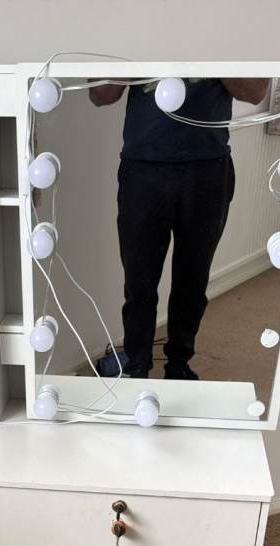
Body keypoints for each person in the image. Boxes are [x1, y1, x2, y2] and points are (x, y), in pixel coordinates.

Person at [89, 77, 269, 379]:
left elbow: (255, 93)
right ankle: (136, 367)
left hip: (208, 169)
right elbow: (99, 95)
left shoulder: (225, 42)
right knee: (139, 284)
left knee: (192, 284)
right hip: (143, 170)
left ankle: (178, 367)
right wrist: (136, 57)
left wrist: (208, 53)